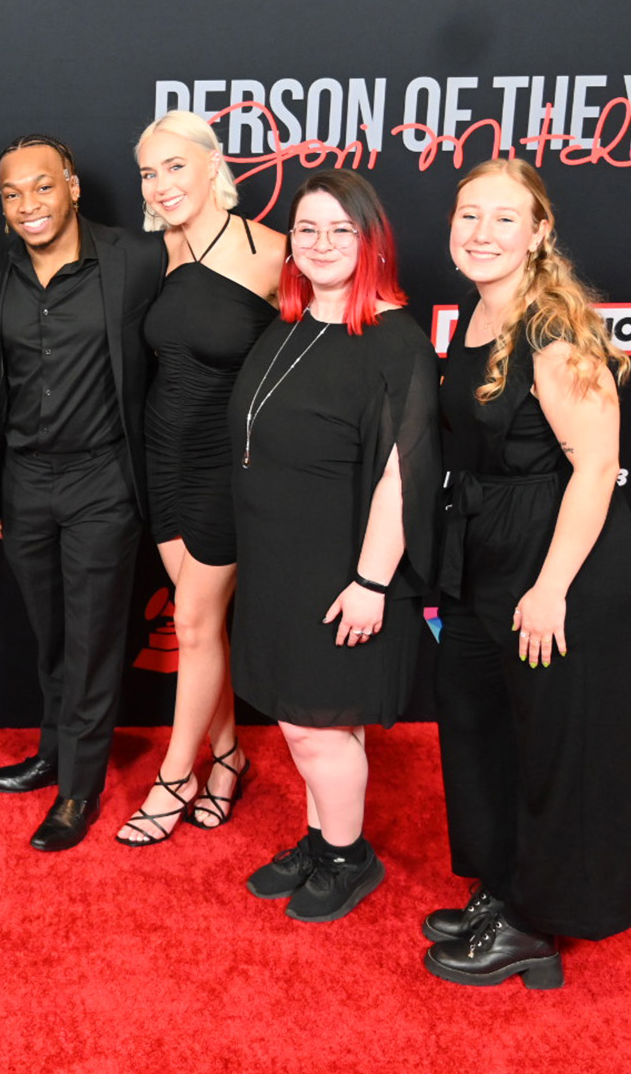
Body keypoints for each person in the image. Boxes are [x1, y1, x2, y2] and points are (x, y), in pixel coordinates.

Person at [424, 159, 631, 988]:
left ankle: (538, 924)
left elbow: (597, 466)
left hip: (564, 562)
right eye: (467, 216)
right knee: (481, 726)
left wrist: (550, 588)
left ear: (539, 232)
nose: (481, 233)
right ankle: (505, 887)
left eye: (503, 219)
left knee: (557, 747)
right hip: (488, 554)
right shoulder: (477, 316)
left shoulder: (555, 329)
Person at [228, 170, 438, 921]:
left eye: (339, 231)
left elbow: (401, 475)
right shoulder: (289, 323)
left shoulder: (394, 342)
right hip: (280, 564)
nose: (320, 245)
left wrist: (372, 582)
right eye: (307, 230)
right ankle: (321, 843)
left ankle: (350, 859)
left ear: (369, 241)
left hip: (341, 570)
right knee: (315, 720)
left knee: (314, 728)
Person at [0, 135, 167, 851]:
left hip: (102, 481)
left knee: (91, 641)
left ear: (74, 188)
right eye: (14, 194)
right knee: (51, 632)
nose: (29, 205)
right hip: (24, 482)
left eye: (43, 188)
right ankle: (54, 754)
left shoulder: (135, 260)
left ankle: (77, 792)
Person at [118, 111, 283, 845]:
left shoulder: (276, 253)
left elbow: (338, 345)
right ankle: (228, 757)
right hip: (162, 459)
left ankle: (173, 777)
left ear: (217, 167)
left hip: (227, 465)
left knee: (190, 621)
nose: (161, 184)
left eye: (175, 166)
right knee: (200, 625)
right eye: (150, 172)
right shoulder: (156, 253)